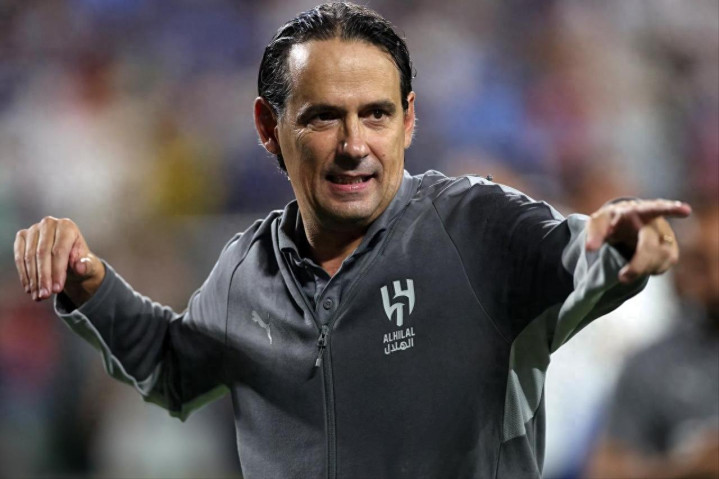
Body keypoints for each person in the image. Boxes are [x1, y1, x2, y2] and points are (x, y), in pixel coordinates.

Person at [12, 3, 690, 478]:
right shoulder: (245, 270)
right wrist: (91, 286)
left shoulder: (476, 227)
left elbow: (576, 253)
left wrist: (621, 244)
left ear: (409, 121)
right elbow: (175, 370)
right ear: (268, 127)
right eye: (323, 117)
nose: (353, 145)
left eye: (376, 115)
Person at [585, 204, 719, 479]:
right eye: (704, 265)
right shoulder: (653, 363)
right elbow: (605, 469)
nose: (716, 280)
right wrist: (689, 468)